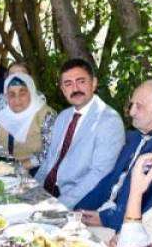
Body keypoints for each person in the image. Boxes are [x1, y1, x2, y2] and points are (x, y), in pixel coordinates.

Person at [75, 80, 152, 233]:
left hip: (128, 228)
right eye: (132, 105)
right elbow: (111, 179)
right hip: (106, 212)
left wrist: (105, 219)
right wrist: (79, 208)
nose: (131, 112)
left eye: (139, 106)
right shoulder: (135, 137)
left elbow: (151, 203)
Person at [34, 58, 125, 209]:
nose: (75, 88)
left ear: (94, 83)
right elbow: (49, 161)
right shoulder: (63, 117)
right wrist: (32, 190)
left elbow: (98, 174)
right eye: (68, 84)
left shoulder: (108, 121)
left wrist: (59, 205)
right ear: (63, 89)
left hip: (78, 200)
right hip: (48, 193)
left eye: (81, 81)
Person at [0, 72, 54, 171]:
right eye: (11, 94)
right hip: (1, 167)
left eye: (22, 93)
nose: (17, 99)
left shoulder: (45, 115)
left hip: (35, 172)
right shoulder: (1, 112)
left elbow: (51, 152)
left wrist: (18, 167)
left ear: (31, 92)